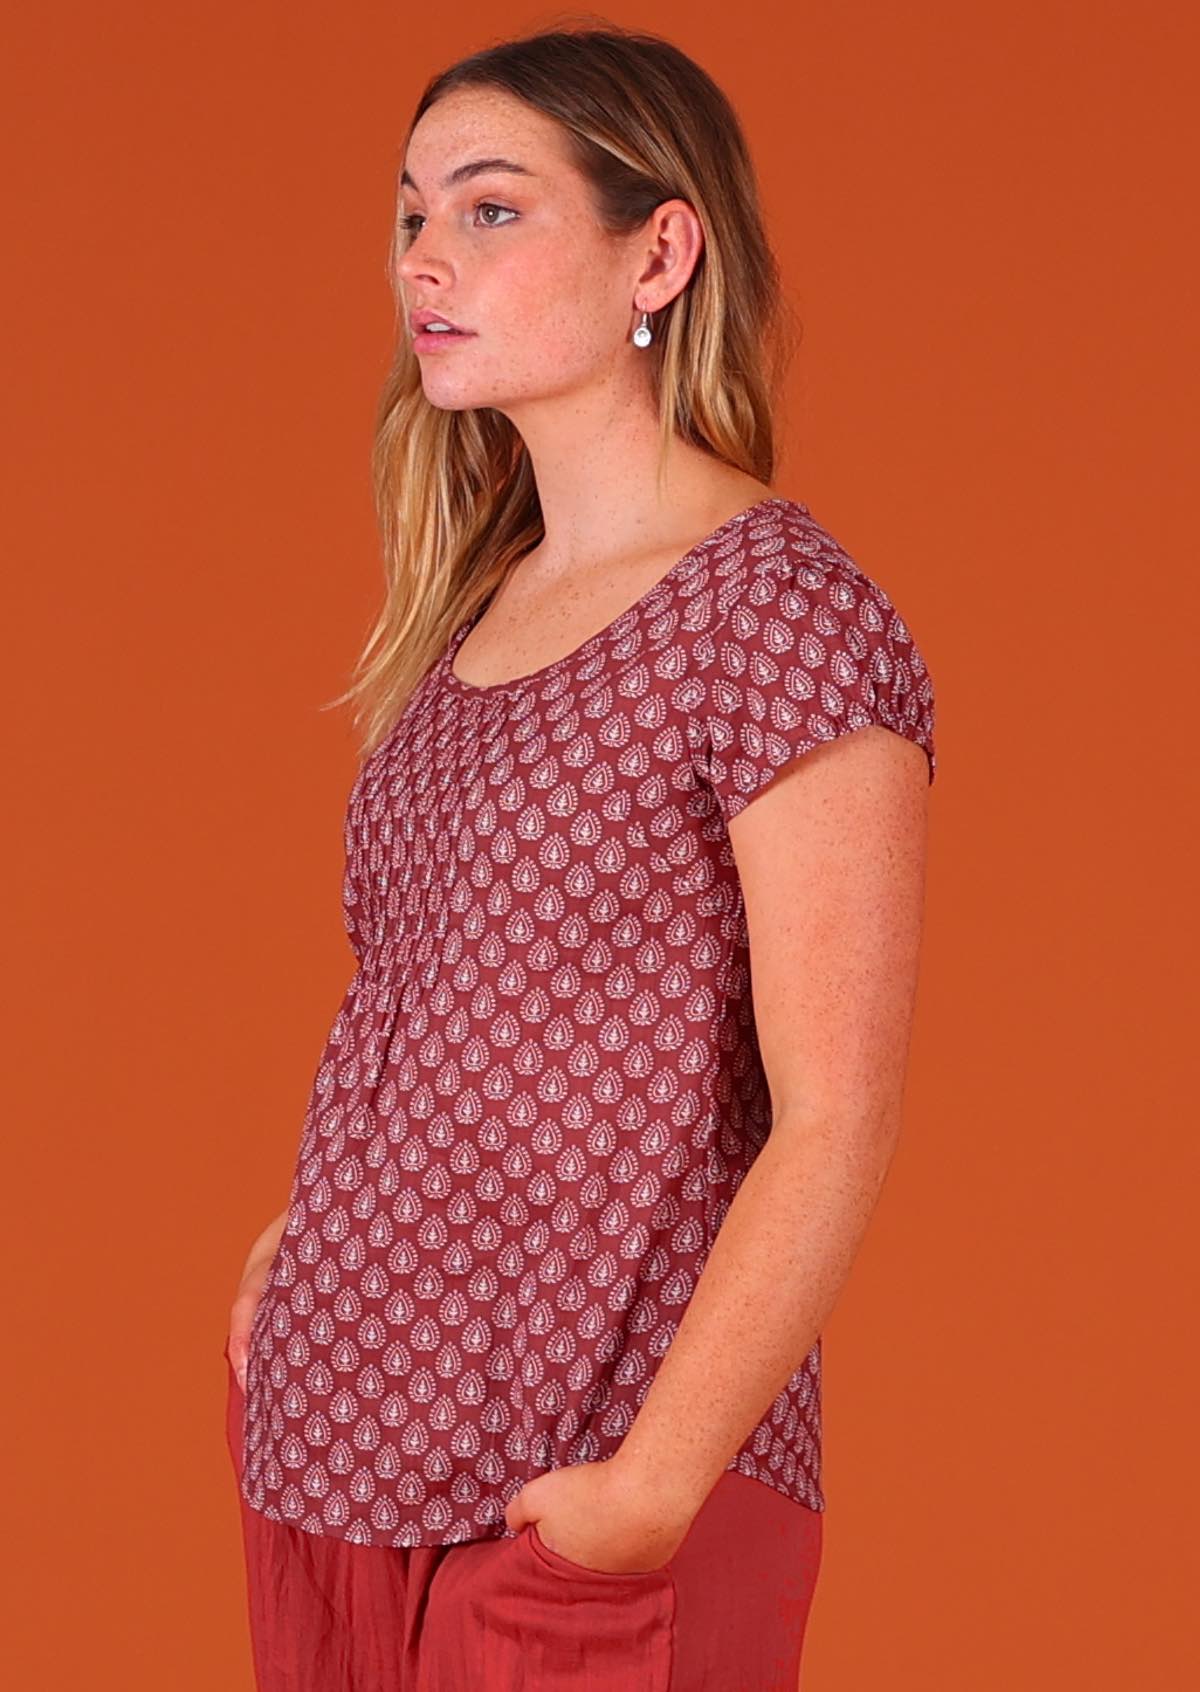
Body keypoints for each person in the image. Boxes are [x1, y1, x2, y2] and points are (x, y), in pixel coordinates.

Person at [223, 23, 937, 1692]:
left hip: (584, 1471)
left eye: (490, 209)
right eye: (412, 214)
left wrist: (652, 1488)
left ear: (658, 254)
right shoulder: (470, 614)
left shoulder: (780, 614)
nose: (424, 258)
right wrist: (303, 1239)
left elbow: (835, 1114)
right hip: (333, 1449)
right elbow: (441, 1005)